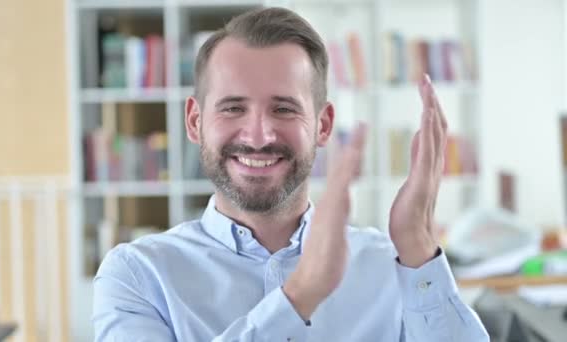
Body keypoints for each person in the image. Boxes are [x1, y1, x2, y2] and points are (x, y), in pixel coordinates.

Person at [92, 7, 489, 342]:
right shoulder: (138, 275)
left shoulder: (394, 267)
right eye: (233, 108)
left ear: (323, 124)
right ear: (195, 122)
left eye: (283, 109)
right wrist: (298, 295)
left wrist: (418, 247)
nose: (259, 136)